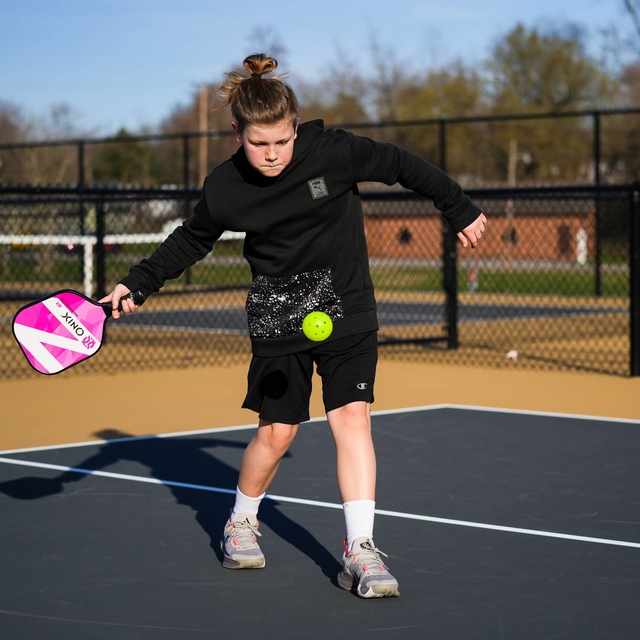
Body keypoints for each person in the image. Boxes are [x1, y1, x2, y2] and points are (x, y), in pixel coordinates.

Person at [102, 53, 487, 599]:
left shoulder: (334, 151)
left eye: (282, 141)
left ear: (296, 126)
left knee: (352, 416)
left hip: (345, 306)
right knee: (278, 433)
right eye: (259, 143)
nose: (272, 153)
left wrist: (458, 206)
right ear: (237, 133)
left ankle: (361, 549)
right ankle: (241, 520)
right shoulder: (226, 186)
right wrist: (138, 282)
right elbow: (192, 239)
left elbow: (402, 164)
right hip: (278, 314)